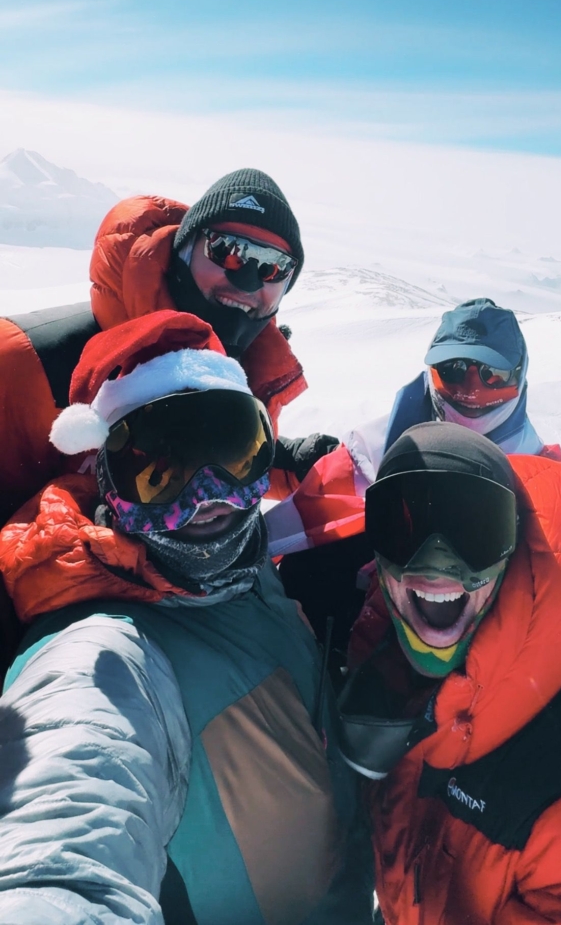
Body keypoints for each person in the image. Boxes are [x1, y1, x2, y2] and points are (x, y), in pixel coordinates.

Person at [0, 310, 371, 924]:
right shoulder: (108, 658)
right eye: (159, 474)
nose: (208, 499)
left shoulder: (248, 575)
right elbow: (68, 822)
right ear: (105, 482)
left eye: (232, 454)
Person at [338, 421, 561, 924]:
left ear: (514, 548)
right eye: (402, 528)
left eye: (476, 531)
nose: (436, 565)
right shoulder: (383, 659)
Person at [268, 298, 561, 637]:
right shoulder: (371, 454)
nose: (471, 391)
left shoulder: (547, 484)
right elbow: (306, 516)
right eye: (453, 371)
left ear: (520, 381)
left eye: (493, 376)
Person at [0, 167, 335, 527]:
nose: (248, 279)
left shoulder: (247, 367)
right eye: (228, 251)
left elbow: (199, 456)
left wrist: (296, 461)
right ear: (184, 251)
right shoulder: (23, 361)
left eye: (273, 267)